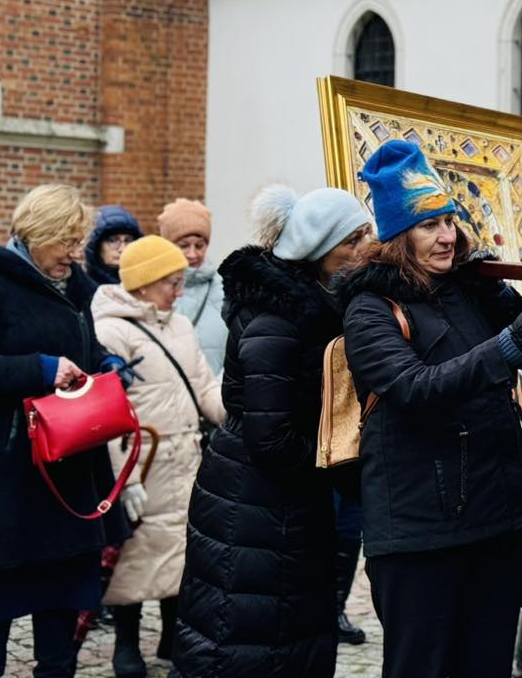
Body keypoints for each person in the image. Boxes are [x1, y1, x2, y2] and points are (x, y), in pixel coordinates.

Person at [339, 139, 522, 678]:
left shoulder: (468, 290)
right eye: (429, 225)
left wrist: (517, 300)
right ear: (399, 236)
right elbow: (413, 388)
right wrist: (508, 345)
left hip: (494, 519)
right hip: (419, 531)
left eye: (449, 220)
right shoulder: (370, 307)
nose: (446, 235)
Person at [171, 184, 371, 678]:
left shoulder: (317, 307)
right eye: (352, 240)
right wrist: (337, 457)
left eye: (366, 234)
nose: (365, 248)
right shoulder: (276, 321)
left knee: (283, 632)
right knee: (241, 637)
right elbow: (272, 437)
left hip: (282, 505)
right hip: (254, 505)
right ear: (319, 251)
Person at [0, 184, 129, 678]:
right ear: (36, 234)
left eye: (78, 240)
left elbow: (79, 351)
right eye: (65, 240)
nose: (74, 251)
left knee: (64, 599)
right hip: (9, 475)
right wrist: (39, 369)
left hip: (71, 467)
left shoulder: (75, 285)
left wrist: (103, 363)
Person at [92, 236, 224, 678]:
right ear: (145, 284)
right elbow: (107, 412)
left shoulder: (180, 325)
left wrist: (235, 409)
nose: (180, 290)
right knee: (135, 556)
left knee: (181, 554)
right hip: (139, 464)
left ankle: (173, 637)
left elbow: (204, 386)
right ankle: (126, 644)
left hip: (184, 460)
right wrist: (121, 480)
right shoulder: (111, 330)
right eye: (172, 282)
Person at [157, 199, 227, 375]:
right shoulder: (153, 290)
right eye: (184, 246)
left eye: (200, 245)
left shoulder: (226, 289)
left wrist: (222, 388)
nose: (193, 253)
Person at [86, 205, 142, 288]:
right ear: (96, 246)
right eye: (113, 240)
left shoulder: (144, 283)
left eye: (128, 240)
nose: (123, 249)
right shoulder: (81, 284)